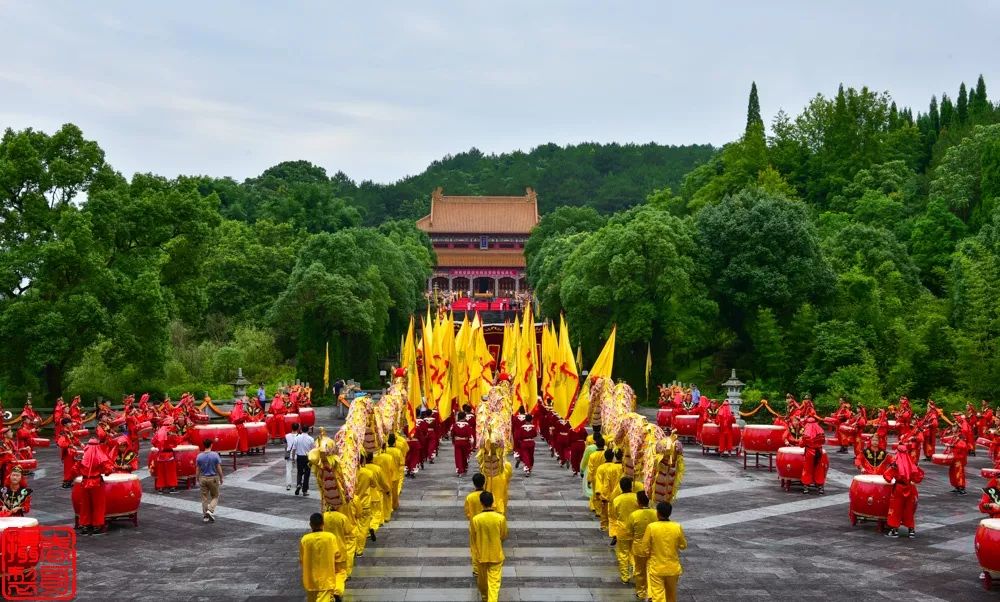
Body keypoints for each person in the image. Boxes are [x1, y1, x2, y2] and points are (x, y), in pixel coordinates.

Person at [638, 502, 687, 602]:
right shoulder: (677, 527)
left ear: (658, 513)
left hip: (656, 567)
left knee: (658, 595)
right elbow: (683, 546)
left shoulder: (652, 527)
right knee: (671, 596)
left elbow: (644, 548)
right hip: (673, 568)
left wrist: (649, 554)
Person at [469, 491, 508, 602]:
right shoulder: (500, 518)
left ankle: (485, 598)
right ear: (493, 502)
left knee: (482, 582)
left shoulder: (476, 519)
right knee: (494, 584)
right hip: (496, 554)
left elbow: (473, 537)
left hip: (481, 555)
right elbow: (503, 535)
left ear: (481, 503)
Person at [883, 442, 925, 538]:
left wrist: (892, 473)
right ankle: (911, 530)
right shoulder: (912, 463)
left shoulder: (896, 464)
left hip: (899, 489)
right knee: (909, 510)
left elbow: (887, 476)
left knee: (895, 509)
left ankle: (894, 530)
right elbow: (918, 477)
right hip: (911, 488)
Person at [75, 438, 114, 535]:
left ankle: (85, 525)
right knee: (98, 505)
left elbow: (74, 469)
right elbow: (108, 470)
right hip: (96, 482)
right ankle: (97, 526)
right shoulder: (100, 455)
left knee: (85, 505)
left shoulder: (82, 455)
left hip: (84, 482)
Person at [300, 512, 341, 602]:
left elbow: (302, 558)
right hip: (326, 576)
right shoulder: (330, 537)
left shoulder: (305, 539)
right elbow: (337, 554)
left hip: (310, 577)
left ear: (310, 524)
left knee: (312, 599)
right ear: (323, 524)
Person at [625, 491, 657, 601]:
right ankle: (651, 592)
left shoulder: (634, 515)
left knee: (639, 571)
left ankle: (641, 591)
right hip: (653, 547)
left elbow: (629, 532)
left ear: (638, 502)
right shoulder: (656, 513)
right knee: (651, 570)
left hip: (639, 547)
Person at [610, 476, 640, 582]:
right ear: (631, 486)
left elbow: (613, 515)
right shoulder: (637, 498)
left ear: (621, 487)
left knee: (623, 554)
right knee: (634, 551)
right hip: (635, 529)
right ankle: (635, 569)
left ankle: (625, 576)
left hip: (622, 530)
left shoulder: (616, 500)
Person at [321, 507, 351, 601]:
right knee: (340, 572)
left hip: (326, 552)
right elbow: (348, 531)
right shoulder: (342, 517)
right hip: (340, 550)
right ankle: (337, 591)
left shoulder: (322, 517)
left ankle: (329, 595)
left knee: (329, 574)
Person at [196, 438, 224, 523]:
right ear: (211, 444)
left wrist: (197, 478)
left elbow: (198, 469)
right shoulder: (215, 455)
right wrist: (221, 477)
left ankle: (205, 517)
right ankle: (210, 510)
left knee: (204, 498)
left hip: (203, 478)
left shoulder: (199, 456)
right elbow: (218, 468)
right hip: (213, 478)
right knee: (215, 496)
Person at [465, 473, 487, 575]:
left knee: (474, 547)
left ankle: (476, 569)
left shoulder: (470, 497)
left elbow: (467, 513)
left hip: (474, 525)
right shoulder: (488, 495)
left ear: (474, 484)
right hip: (486, 524)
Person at [801, 416, 829, 494]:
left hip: (809, 453)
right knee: (819, 469)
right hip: (819, 452)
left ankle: (806, 487)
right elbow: (823, 442)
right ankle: (820, 487)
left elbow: (801, 444)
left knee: (807, 469)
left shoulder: (806, 433)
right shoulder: (821, 431)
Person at [293, 426, 315, 496]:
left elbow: (294, 449)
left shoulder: (297, 438)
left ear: (301, 430)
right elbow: (313, 450)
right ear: (308, 430)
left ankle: (299, 484)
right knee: (307, 474)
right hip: (308, 458)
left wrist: (293, 458)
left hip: (299, 457)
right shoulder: (311, 439)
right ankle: (304, 491)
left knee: (299, 472)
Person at [452, 412, 474, 476]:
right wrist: (471, 444)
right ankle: (464, 468)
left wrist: (454, 441)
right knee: (464, 456)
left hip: (457, 442)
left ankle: (459, 470)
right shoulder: (467, 425)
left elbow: (452, 434)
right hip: (465, 442)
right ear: (464, 417)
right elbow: (470, 435)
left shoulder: (455, 425)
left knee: (458, 456)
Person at [285, 422, 300, 491]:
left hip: (289, 455)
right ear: (298, 428)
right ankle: (298, 484)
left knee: (288, 470)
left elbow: (286, 446)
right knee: (299, 471)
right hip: (298, 455)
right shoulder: (300, 436)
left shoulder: (287, 436)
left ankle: (288, 485)